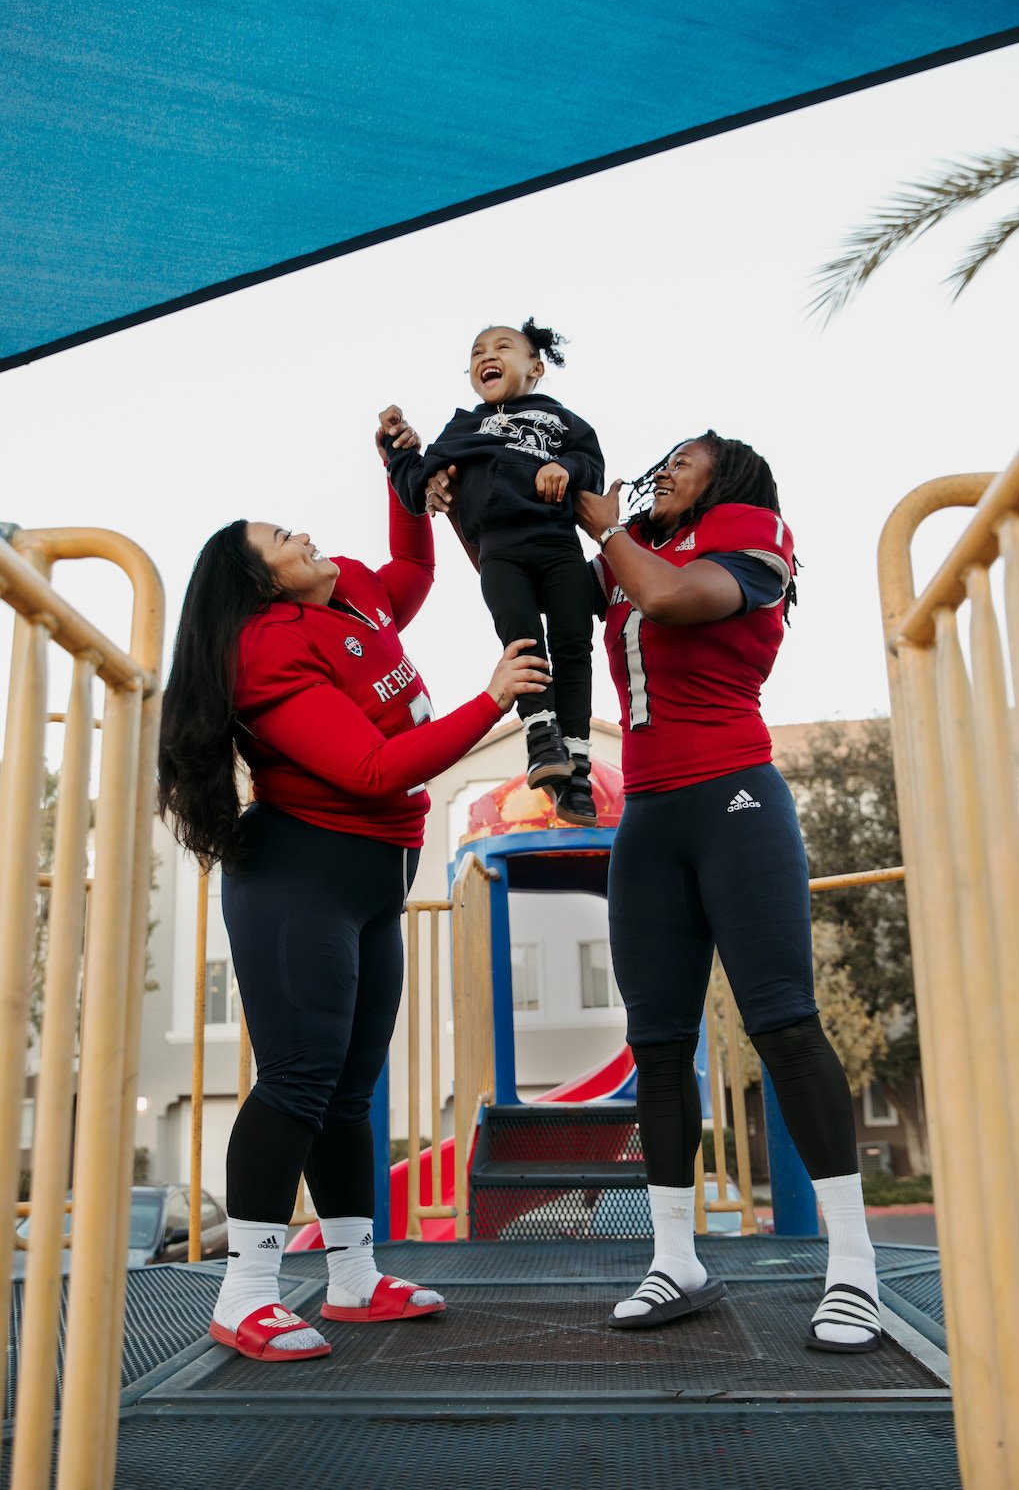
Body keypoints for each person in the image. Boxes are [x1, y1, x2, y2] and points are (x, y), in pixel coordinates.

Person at [157, 410, 550, 1363]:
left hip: (379, 871)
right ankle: (244, 1292)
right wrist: (489, 700)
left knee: (349, 1091)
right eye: (280, 540)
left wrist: (404, 484)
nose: (302, 536)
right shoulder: (264, 647)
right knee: (298, 1080)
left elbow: (409, 574)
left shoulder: (354, 598)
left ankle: (351, 1278)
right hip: (303, 871)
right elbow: (372, 770)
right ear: (259, 582)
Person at [575, 431, 881, 1353]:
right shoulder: (640, 549)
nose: (664, 467)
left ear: (728, 479)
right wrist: (465, 488)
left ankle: (854, 1266)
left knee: (782, 1022)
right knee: (656, 1046)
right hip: (649, 817)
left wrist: (601, 526)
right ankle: (676, 1257)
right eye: (660, 457)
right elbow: (537, 578)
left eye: (685, 458)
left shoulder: (747, 532)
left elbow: (671, 598)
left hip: (733, 798)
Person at [383, 318, 604, 826]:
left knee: (574, 644)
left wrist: (565, 468)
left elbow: (591, 463)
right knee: (523, 640)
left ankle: (578, 768)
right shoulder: (463, 428)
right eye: (478, 350)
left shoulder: (562, 422)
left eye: (504, 346)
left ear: (536, 367)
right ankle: (542, 736)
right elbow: (417, 485)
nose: (489, 353)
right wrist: (399, 448)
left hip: (559, 547)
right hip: (501, 552)